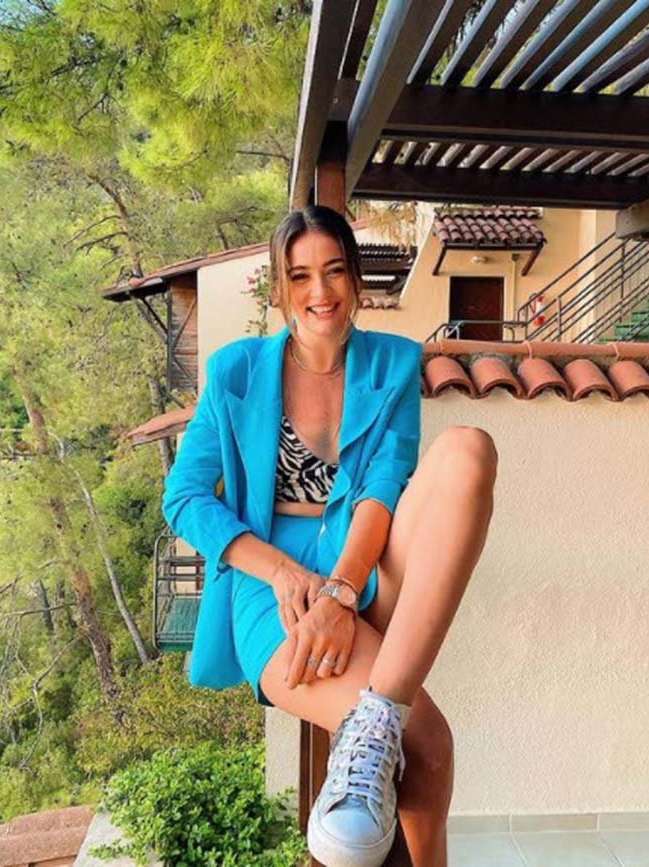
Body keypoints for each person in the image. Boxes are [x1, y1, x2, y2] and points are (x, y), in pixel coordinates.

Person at [162, 205, 498, 867]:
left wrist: (342, 590)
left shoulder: (393, 363)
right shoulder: (235, 371)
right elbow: (185, 497)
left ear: (356, 279)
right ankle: (383, 735)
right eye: (301, 275)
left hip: (363, 560)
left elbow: (383, 485)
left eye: (335, 270)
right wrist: (285, 574)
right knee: (427, 745)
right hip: (271, 588)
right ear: (280, 288)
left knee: (469, 449)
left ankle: (375, 720)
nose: (321, 291)